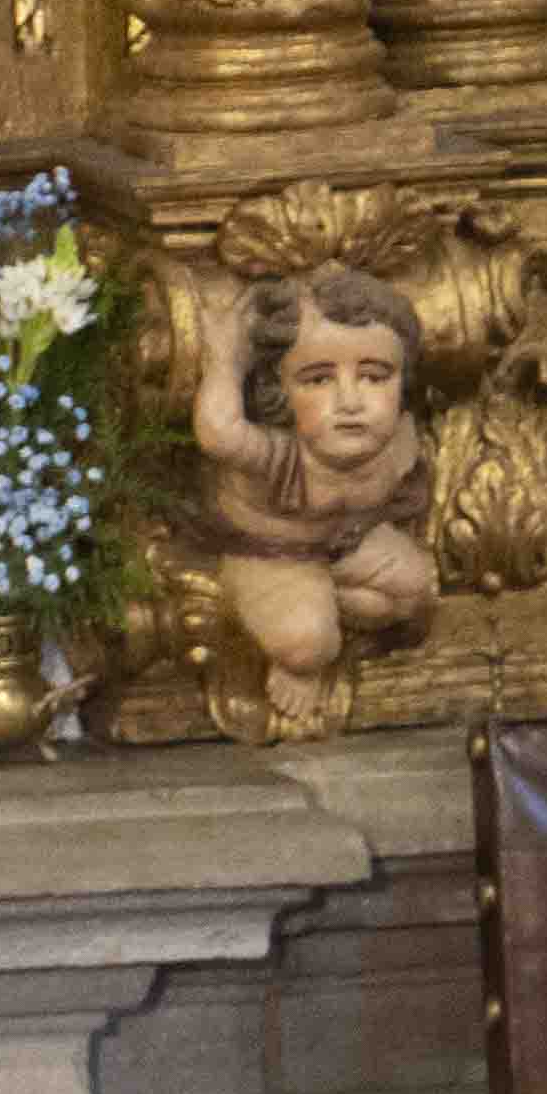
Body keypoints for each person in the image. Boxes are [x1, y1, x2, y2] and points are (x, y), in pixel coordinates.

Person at [186, 263, 436, 739]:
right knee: (306, 641)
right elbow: (219, 434)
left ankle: (319, 608)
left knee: (415, 589)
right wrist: (224, 362)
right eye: (318, 379)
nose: (351, 401)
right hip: (266, 553)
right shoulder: (282, 454)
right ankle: (301, 649)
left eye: (374, 376)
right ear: (278, 392)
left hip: (341, 545)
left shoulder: (397, 443)